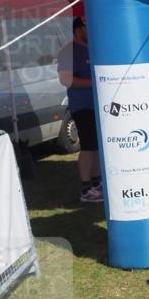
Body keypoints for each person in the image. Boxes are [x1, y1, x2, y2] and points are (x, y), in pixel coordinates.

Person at [57, 17, 102, 202]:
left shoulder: (93, 48)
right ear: (78, 29)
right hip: (82, 106)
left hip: (97, 105)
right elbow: (66, 79)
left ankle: (97, 183)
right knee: (88, 147)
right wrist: (95, 83)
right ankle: (86, 189)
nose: (90, 30)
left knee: (97, 147)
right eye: (87, 26)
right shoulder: (68, 51)